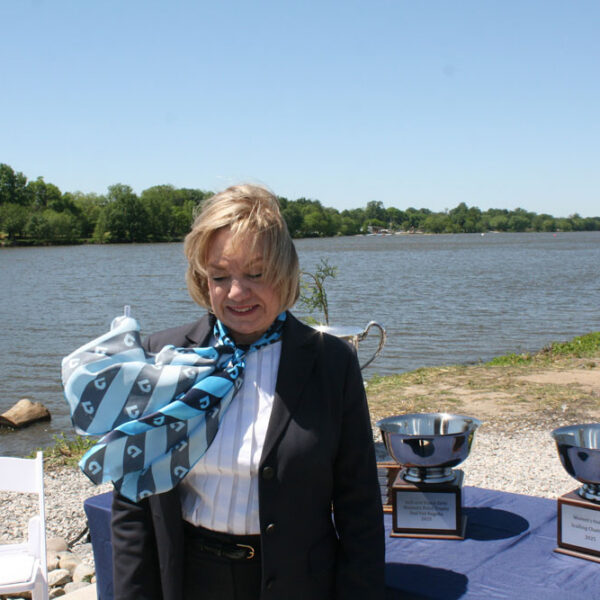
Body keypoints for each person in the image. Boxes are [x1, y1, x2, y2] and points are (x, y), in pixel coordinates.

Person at [110, 184, 385, 600]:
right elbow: (132, 503)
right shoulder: (161, 357)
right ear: (202, 278)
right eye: (220, 276)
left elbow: (359, 506)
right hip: (188, 580)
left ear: (285, 272)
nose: (237, 293)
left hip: (298, 584)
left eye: (256, 274)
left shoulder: (332, 364)